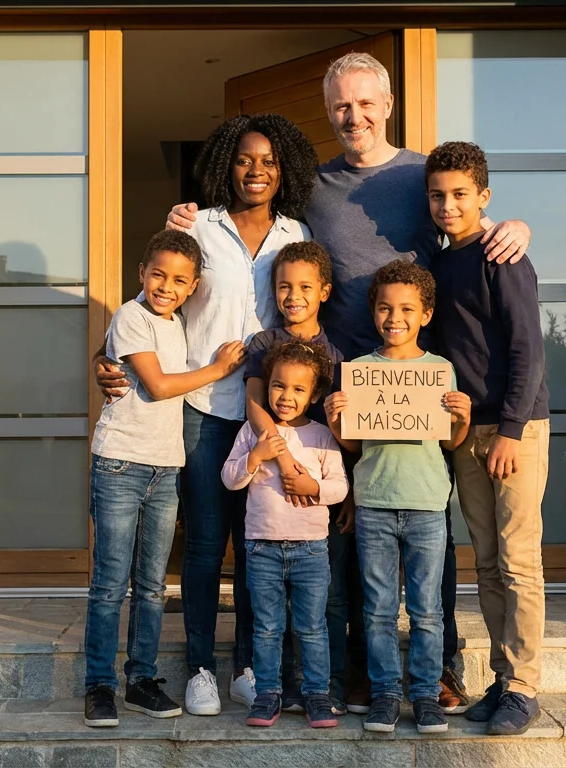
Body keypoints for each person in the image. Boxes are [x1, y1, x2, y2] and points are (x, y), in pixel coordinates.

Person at [164, 52, 532, 714]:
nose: (352, 115)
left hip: (413, 383)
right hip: (334, 385)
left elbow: (462, 227)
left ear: (386, 105)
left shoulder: (423, 176)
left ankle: (438, 669)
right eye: (340, 104)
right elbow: (254, 211)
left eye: (365, 103)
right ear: (329, 109)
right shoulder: (316, 189)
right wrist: (185, 221)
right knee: (350, 535)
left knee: (425, 530)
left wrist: (513, 226)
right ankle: (359, 671)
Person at [99, 114, 322, 717]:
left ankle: (249, 666)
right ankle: (199, 667)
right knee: (203, 545)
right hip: (200, 410)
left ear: (285, 171)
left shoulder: (294, 232)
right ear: (228, 164)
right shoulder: (196, 225)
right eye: (246, 159)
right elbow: (153, 298)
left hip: (265, 413)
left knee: (257, 544)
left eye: (270, 161)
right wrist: (106, 354)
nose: (257, 170)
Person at [82, 230, 247, 729]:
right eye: (158, 275)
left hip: (165, 467)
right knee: (111, 583)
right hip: (120, 464)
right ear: (141, 273)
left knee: (152, 586)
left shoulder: (176, 324)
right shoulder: (131, 316)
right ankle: (99, 686)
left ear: (193, 287)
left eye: (179, 281)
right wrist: (219, 368)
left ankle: (141, 680)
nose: (166, 287)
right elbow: (156, 386)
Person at [425, 141, 551, 736]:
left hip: (512, 431)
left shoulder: (503, 255)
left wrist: (509, 430)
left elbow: (528, 348)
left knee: (520, 560)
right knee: (490, 564)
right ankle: (503, 679)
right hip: (465, 430)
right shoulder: (442, 262)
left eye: (459, 195)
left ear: (484, 198)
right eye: (438, 195)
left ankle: (525, 686)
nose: (448, 206)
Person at [324, 261, 471, 734]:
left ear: (425, 315)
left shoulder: (440, 370)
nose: (395, 317)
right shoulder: (361, 371)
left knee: (427, 609)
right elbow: (353, 444)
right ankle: (386, 692)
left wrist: (463, 417)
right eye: (385, 308)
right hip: (374, 503)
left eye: (407, 309)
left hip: (428, 503)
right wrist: (335, 421)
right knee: (379, 607)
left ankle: (426, 694)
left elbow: (450, 441)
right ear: (373, 313)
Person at [241, 241, 349, 713]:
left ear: (324, 291)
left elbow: (343, 431)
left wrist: (342, 497)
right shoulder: (264, 344)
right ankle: (273, 688)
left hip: (318, 508)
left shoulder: (338, 352)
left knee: (325, 606)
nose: (293, 295)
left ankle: (325, 689)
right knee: (268, 614)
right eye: (284, 286)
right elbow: (253, 404)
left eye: (305, 286)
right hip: (271, 510)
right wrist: (284, 461)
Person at [222, 341, 348, 729]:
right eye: (278, 386)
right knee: (267, 626)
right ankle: (267, 695)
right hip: (262, 546)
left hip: (311, 549)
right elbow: (230, 478)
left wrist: (313, 487)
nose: (286, 396)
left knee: (312, 626)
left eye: (297, 389)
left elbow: (340, 487)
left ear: (314, 394)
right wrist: (255, 457)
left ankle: (316, 695)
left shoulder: (321, 436)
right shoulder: (252, 431)